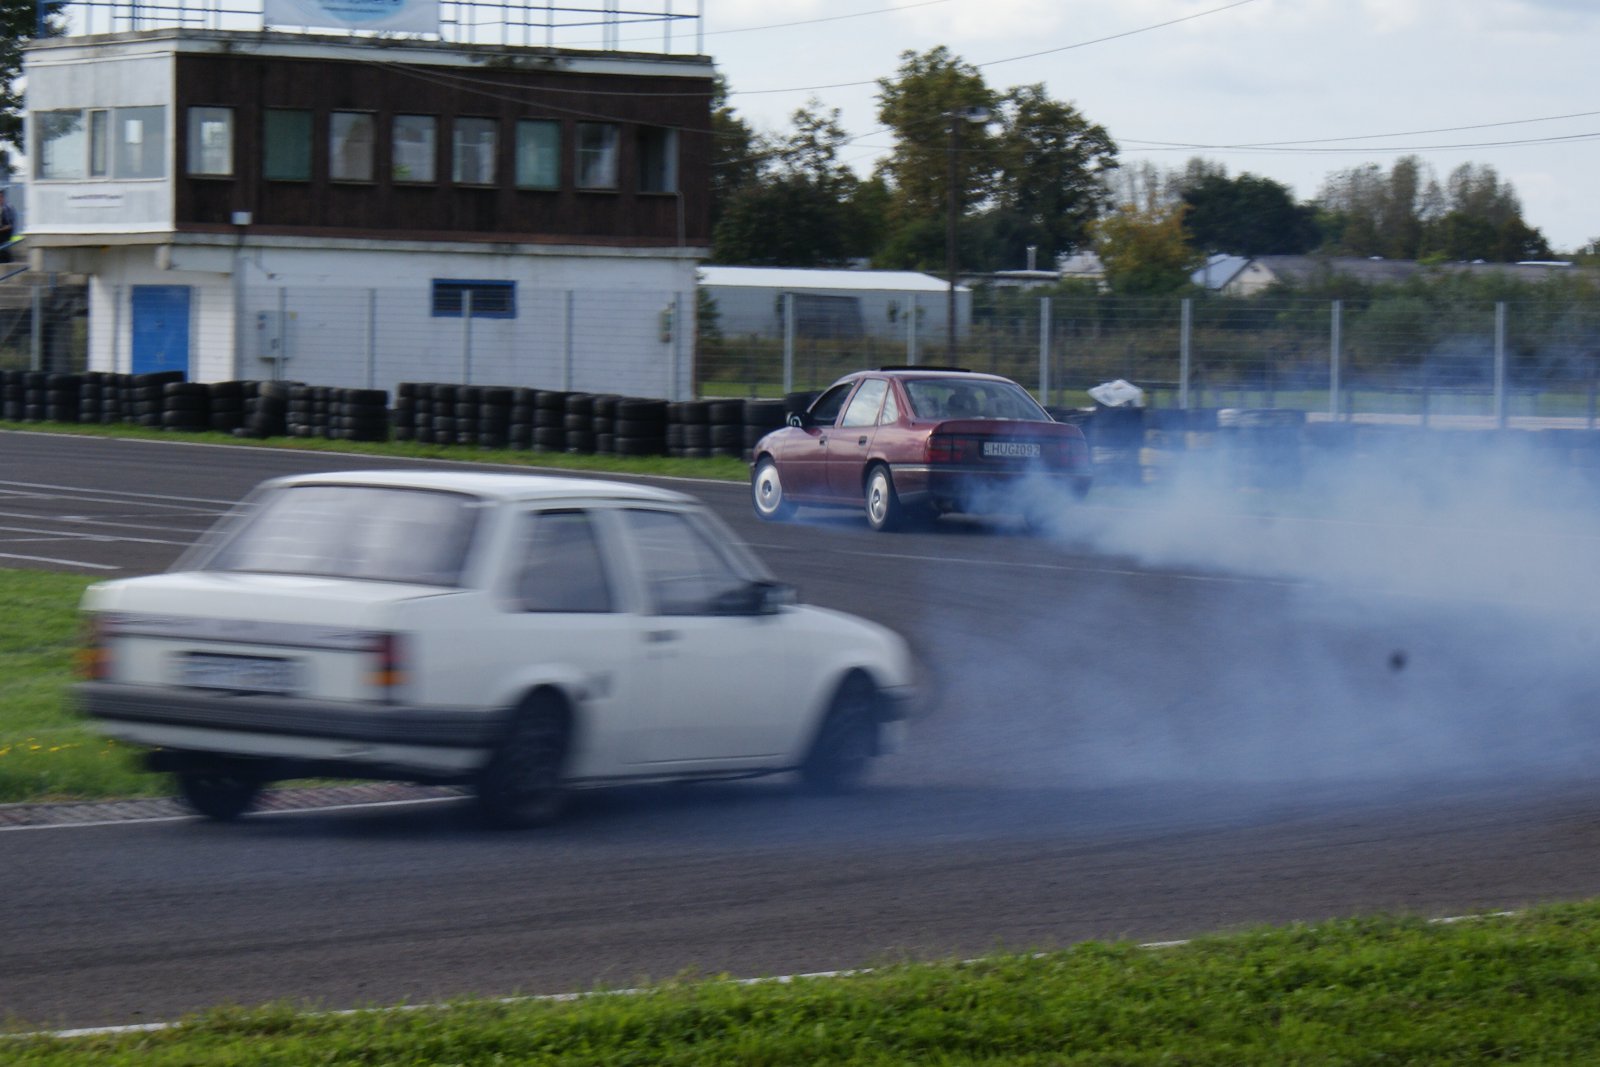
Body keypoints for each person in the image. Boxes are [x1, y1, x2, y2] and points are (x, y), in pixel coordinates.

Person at [0, 190, 15, 264]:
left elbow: (10, 225)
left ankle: (7, 261)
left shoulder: (7, 208)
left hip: (5, 233)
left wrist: (1, 229)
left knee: (4, 248)